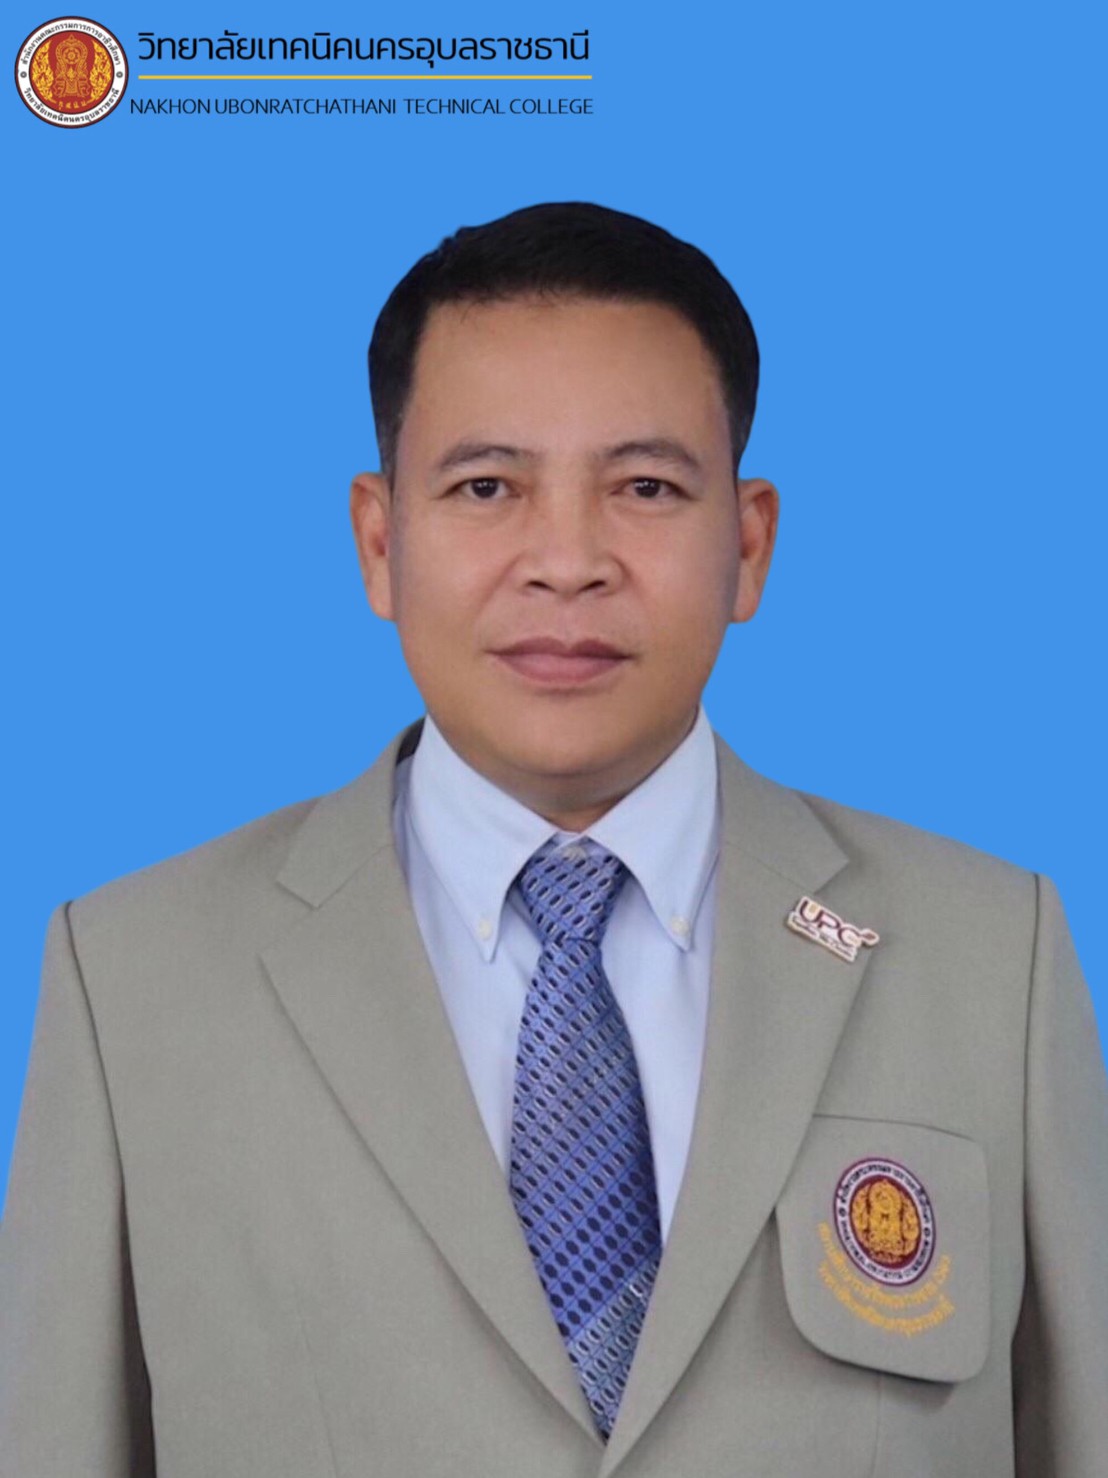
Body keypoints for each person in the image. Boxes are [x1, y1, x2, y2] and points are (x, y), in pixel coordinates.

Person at [1, 201, 1105, 1478]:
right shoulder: (132, 979)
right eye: (487, 486)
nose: (567, 561)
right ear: (379, 539)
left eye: (645, 487)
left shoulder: (991, 955)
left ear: (748, 543)